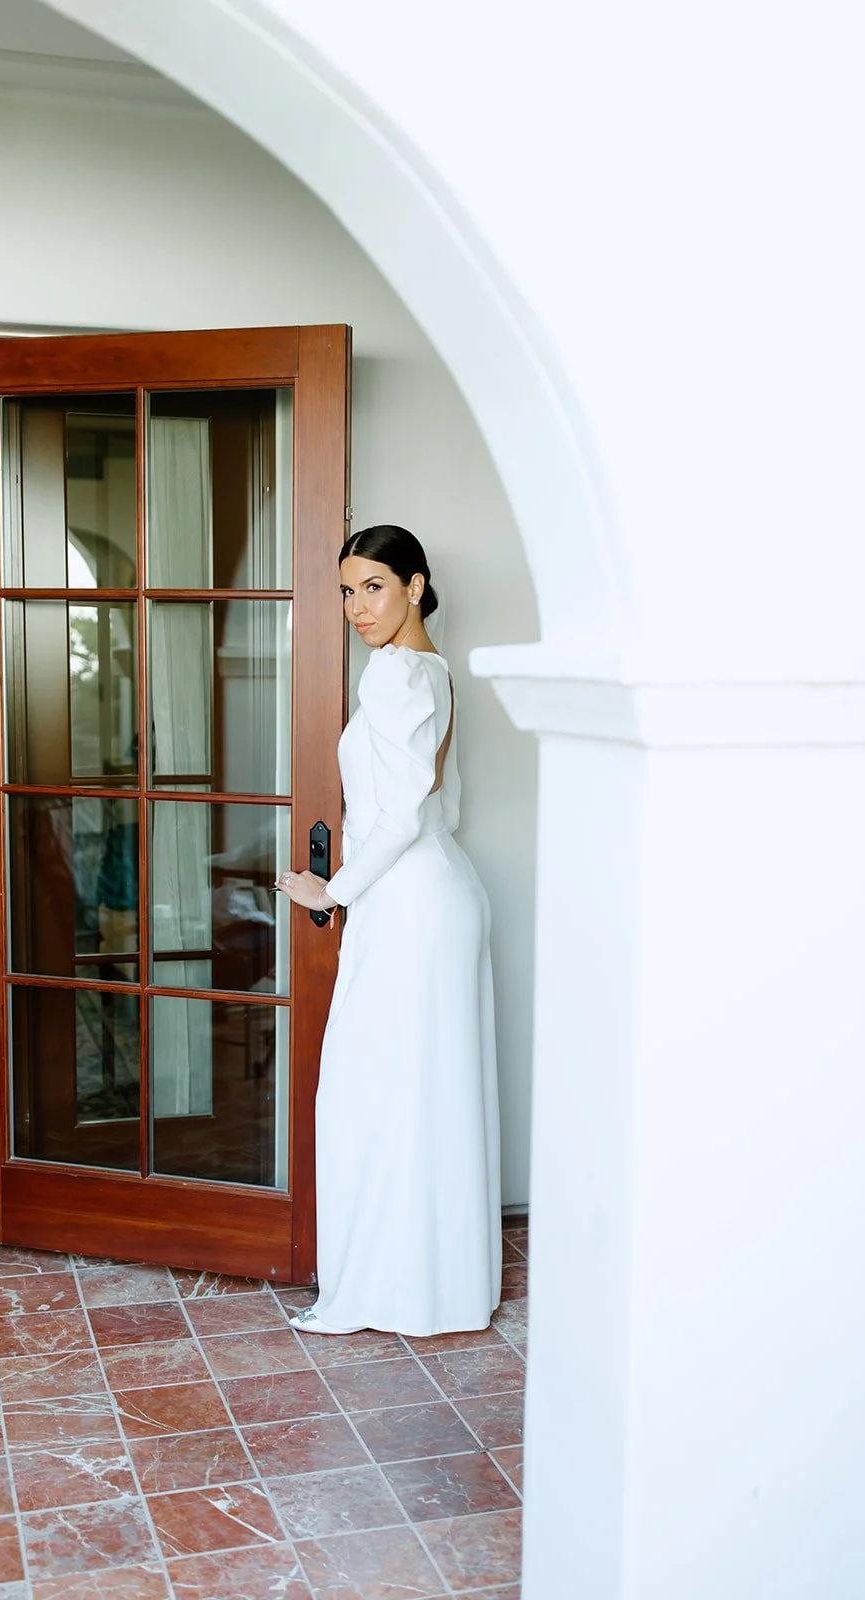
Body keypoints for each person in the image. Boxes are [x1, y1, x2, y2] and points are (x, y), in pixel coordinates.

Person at [275, 524, 502, 1337]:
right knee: (417, 1094)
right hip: (432, 892)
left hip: (410, 902)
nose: (355, 606)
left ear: (414, 584)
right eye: (345, 590)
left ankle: (388, 1288)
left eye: (373, 585)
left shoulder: (397, 675)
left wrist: (329, 890)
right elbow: (442, 806)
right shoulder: (432, 671)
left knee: (379, 1095)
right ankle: (434, 1287)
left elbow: (403, 811)